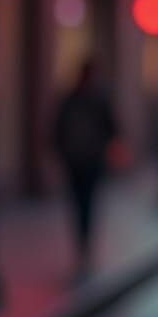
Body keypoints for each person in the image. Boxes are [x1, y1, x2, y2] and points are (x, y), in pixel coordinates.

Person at [51, 57, 117, 274]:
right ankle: (84, 246)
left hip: (81, 162)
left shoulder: (75, 99)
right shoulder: (95, 99)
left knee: (81, 204)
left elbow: (57, 129)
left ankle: (83, 246)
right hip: (85, 162)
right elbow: (112, 128)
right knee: (85, 204)